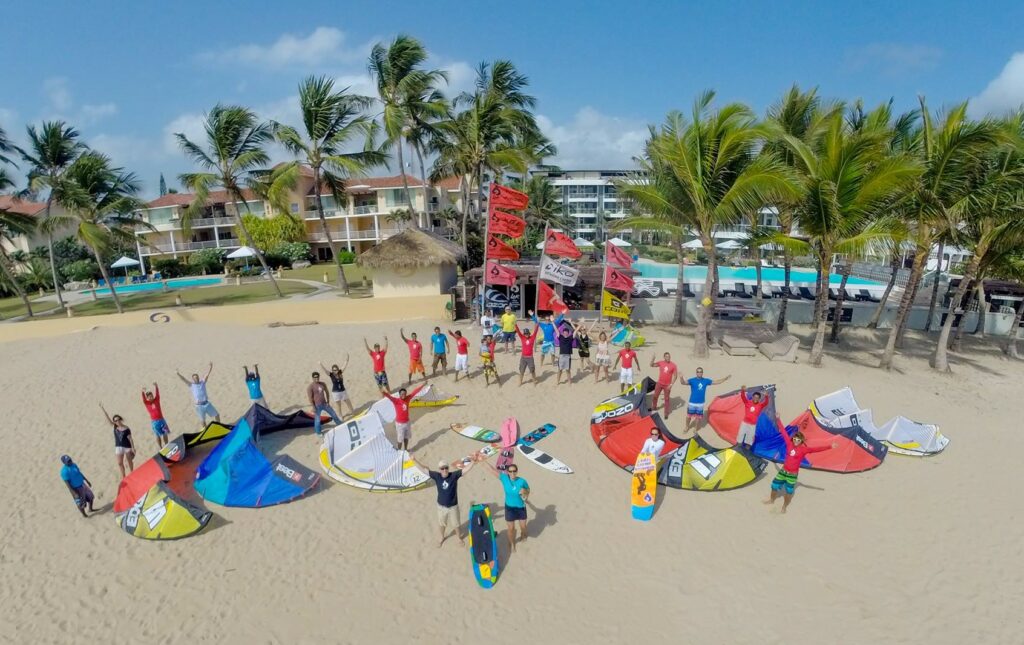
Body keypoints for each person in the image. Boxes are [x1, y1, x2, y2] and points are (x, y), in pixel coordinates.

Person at [763, 418, 837, 514]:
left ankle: (784, 506)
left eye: (798, 440)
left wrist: (830, 446)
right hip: (783, 471)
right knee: (774, 486)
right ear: (793, 439)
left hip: (792, 475)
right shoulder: (789, 444)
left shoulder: (803, 450)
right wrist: (778, 419)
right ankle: (772, 500)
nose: (796, 441)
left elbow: (816, 449)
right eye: (795, 439)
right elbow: (784, 433)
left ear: (801, 441)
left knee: (789, 492)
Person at [414, 456, 476, 547]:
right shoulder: (437, 476)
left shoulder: (454, 475)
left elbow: (465, 470)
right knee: (442, 524)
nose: (444, 470)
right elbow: (423, 470)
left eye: (446, 468)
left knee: (456, 524)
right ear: (439, 469)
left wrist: (473, 462)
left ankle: (459, 538)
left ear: (448, 468)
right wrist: (414, 460)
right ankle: (441, 537)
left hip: (453, 507)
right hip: (441, 507)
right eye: (442, 468)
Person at [484, 460, 530, 553]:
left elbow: (528, 490)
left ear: (516, 471)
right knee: (511, 529)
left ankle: (522, 534)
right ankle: (512, 544)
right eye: (510, 471)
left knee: (523, 527)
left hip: (521, 507)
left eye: (514, 471)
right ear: (508, 472)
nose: (512, 473)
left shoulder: (522, 481)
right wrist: (482, 461)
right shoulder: (504, 479)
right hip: (509, 508)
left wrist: (524, 491)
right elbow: (492, 470)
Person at [682, 368, 730, 434]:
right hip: (692, 402)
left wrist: (725, 379)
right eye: (698, 372)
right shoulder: (692, 380)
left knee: (698, 418)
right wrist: (681, 378)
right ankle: (687, 427)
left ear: (702, 373)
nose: (699, 373)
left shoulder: (705, 381)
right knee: (688, 416)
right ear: (696, 373)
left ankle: (695, 429)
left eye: (701, 372)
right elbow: (683, 383)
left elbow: (716, 382)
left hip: (700, 403)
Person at [383, 385, 426, 451]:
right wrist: (383, 393)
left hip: (407, 422)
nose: (403, 395)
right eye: (402, 394)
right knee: (400, 440)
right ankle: (399, 451)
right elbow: (389, 397)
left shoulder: (408, 398)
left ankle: (405, 449)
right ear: (399, 394)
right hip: (399, 424)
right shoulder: (396, 401)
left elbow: (415, 392)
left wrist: (423, 385)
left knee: (406, 437)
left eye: (404, 394)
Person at [101, 403, 135, 479]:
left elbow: (130, 438)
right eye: (115, 420)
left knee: (129, 461)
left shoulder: (126, 428)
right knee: (120, 463)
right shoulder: (115, 427)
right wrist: (103, 410)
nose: (117, 421)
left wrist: (133, 448)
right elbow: (109, 420)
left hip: (127, 446)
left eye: (118, 419)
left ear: (120, 419)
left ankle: (132, 472)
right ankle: (124, 476)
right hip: (118, 447)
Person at [307, 372, 343, 436]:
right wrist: (313, 407)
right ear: (312, 378)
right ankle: (318, 432)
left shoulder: (322, 384)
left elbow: (327, 392)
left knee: (333, 414)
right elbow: (310, 398)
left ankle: (339, 424)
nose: (316, 378)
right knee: (317, 420)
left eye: (317, 377)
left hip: (324, 403)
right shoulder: (310, 387)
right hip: (317, 406)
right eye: (315, 377)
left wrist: (328, 401)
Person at [649, 352, 678, 418]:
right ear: (664, 357)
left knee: (666, 399)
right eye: (667, 356)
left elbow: (675, 376)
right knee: (655, 396)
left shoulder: (673, 365)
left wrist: (671, 384)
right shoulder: (661, 363)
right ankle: (654, 407)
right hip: (659, 383)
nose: (668, 358)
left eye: (669, 356)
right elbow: (651, 365)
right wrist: (653, 359)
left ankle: (666, 413)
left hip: (667, 385)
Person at [141, 382, 170, 449]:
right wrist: (142, 392)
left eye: (151, 396)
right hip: (154, 422)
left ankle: (167, 445)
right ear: (147, 398)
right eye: (149, 397)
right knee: (157, 435)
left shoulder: (156, 400)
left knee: (165, 433)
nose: (151, 397)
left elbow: (157, 394)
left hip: (162, 420)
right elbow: (143, 399)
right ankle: (160, 447)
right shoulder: (147, 403)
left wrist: (156, 386)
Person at [515, 321, 540, 386]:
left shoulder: (532, 337)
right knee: (521, 370)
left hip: (530, 357)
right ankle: (520, 382)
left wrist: (538, 324)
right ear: (524, 334)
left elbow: (535, 332)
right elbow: (518, 332)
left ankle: (534, 380)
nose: (526, 334)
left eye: (527, 333)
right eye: (525, 333)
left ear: (529, 333)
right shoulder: (522, 337)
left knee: (532, 370)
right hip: (523, 357)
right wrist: (515, 325)